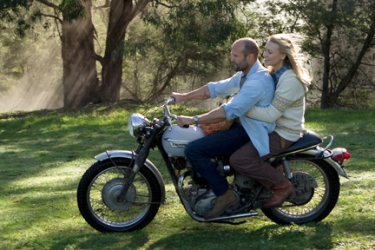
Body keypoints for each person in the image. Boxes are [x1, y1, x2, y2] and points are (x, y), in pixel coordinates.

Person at [170, 38, 276, 220]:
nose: (232, 59)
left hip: (250, 131)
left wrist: (194, 119)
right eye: (231, 55)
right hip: (241, 125)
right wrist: (183, 97)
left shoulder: (257, 81)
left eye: (236, 55)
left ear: (250, 57)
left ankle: (224, 195)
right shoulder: (246, 75)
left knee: (194, 150)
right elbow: (216, 89)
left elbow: (230, 110)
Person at [230, 33, 312, 208]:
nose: (264, 55)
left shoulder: (290, 79)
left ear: (283, 55)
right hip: (269, 127)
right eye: (265, 51)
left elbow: (270, 114)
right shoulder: (274, 73)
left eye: (269, 52)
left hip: (283, 132)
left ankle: (282, 186)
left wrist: (240, 108)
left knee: (240, 159)